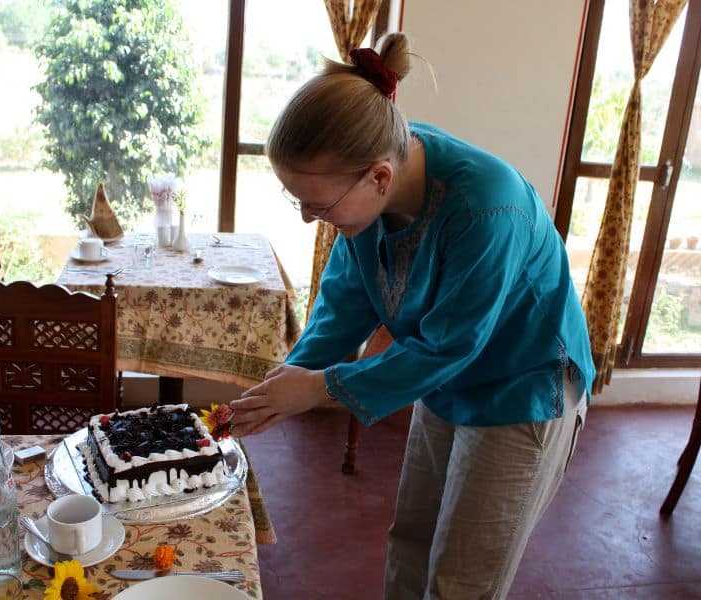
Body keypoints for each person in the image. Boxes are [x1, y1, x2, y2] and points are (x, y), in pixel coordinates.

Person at [230, 32, 595, 599]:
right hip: (442, 381)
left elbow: (449, 347)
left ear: (379, 177)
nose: (308, 219)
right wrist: (283, 384)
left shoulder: (485, 209)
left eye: (318, 205)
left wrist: (320, 387)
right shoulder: (368, 191)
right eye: (295, 199)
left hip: (522, 388)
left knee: (461, 579)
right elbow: (343, 305)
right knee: (412, 539)